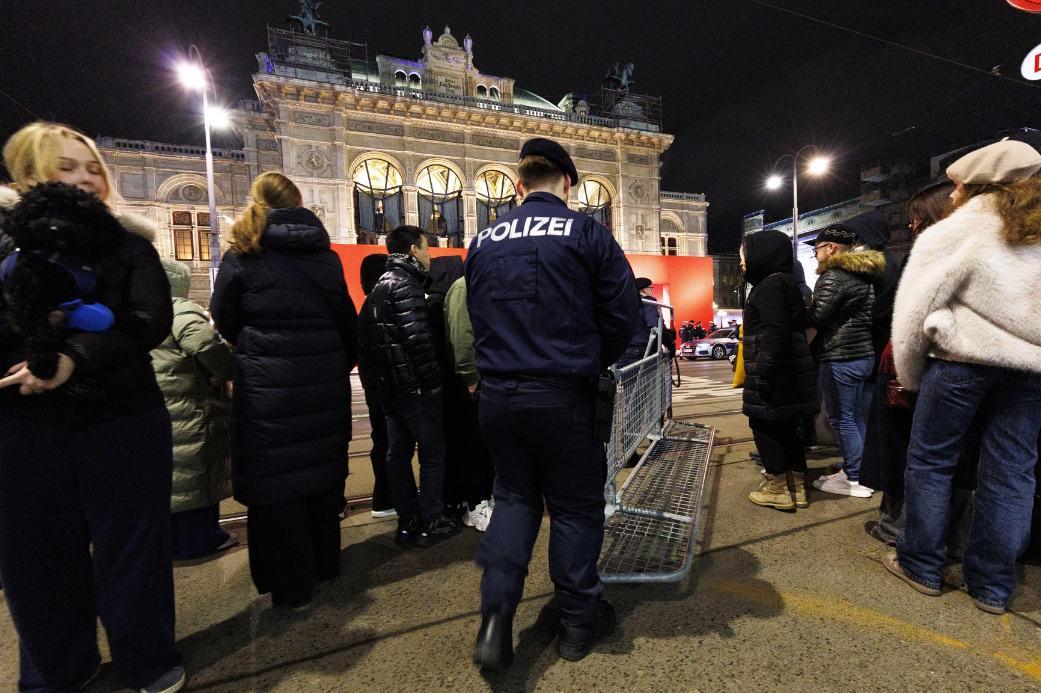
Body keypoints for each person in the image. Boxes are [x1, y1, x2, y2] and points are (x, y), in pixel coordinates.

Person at [0, 122, 184, 693]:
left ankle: (146, 659)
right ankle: (58, 668)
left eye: (93, 168)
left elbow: (148, 320)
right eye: (67, 167)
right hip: (22, 422)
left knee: (135, 549)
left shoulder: (129, 243)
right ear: (29, 174)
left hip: (121, 415)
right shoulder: (5, 243)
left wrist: (73, 356)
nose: (86, 179)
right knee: (35, 557)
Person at [467, 138, 642, 669]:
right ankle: (576, 625)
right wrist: (591, 360)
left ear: (519, 185)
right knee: (573, 510)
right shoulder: (588, 233)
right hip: (564, 396)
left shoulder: (481, 241)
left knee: (514, 500)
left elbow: (475, 312)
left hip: (498, 396)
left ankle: (495, 622)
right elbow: (623, 315)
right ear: (568, 183)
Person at [886, 139, 1041, 615]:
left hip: (961, 363)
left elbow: (913, 313)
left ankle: (921, 564)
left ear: (976, 185)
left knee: (931, 463)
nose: (951, 195)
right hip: (1030, 371)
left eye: (955, 185)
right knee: (1012, 474)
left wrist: (910, 376)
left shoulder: (953, 233)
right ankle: (994, 586)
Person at [211, 171, 357, 612]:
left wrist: (258, 351)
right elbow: (346, 321)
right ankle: (325, 564)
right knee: (321, 471)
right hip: (323, 381)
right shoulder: (324, 255)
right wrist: (335, 363)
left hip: (267, 385)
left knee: (277, 485)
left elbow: (227, 319)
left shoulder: (243, 253)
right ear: (297, 203)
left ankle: (291, 588)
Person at [860, 182, 957, 546]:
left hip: (922, 368)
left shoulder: (932, 256)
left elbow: (911, 317)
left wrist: (904, 366)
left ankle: (907, 538)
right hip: (975, 368)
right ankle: (954, 546)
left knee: (917, 456)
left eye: (917, 220)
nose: (912, 228)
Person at [364, 225, 459, 546]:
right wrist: (433, 381)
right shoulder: (406, 284)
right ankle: (431, 521)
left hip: (389, 389)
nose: (430, 256)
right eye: (427, 248)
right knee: (432, 455)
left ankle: (406, 522)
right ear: (414, 251)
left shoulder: (380, 285)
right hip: (414, 389)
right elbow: (418, 339)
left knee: (397, 455)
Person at [153, 258, 236, 559]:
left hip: (157, 405)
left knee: (170, 477)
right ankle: (199, 539)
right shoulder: (179, 309)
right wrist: (226, 370)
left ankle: (173, 541)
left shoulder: (140, 310)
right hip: (189, 404)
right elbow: (208, 347)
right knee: (196, 473)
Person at [805, 226, 886, 497]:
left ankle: (855, 478)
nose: (815, 255)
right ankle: (860, 467)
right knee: (853, 417)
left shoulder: (834, 276)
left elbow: (817, 317)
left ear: (832, 248)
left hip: (842, 356)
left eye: (816, 249)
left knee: (842, 418)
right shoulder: (861, 273)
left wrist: (801, 307)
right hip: (861, 355)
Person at [740, 231, 819, 511]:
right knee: (787, 430)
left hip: (776, 375)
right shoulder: (786, 283)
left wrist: (762, 369)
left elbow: (774, 330)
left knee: (764, 427)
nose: (742, 264)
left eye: (745, 257)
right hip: (790, 374)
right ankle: (797, 489)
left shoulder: (769, 286)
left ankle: (777, 490)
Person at [356, 252, 416, 519]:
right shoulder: (377, 305)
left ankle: (387, 496)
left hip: (373, 383)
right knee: (388, 442)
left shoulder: (368, 304)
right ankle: (386, 497)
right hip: (382, 384)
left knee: (383, 440)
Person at [443, 272, 497, 531]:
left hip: (484, 380)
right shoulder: (464, 287)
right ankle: (475, 506)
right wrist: (470, 378)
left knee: (484, 446)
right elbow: (462, 336)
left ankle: (479, 501)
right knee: (474, 447)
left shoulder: (477, 284)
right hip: (473, 382)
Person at [617, 277, 661, 366]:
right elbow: (653, 326)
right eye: (650, 288)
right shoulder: (649, 303)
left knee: (628, 379)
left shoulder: (623, 304)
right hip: (643, 353)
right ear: (644, 290)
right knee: (646, 379)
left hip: (623, 353)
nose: (652, 291)